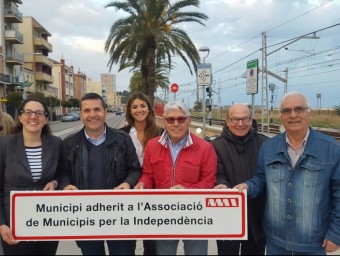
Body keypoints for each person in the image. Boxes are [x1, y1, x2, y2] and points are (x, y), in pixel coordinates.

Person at [234, 92, 340, 255]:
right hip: (276, 242)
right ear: (281, 116)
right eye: (286, 111)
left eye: (299, 109)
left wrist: (336, 233)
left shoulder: (332, 150)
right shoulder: (269, 147)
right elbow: (261, 179)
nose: (293, 115)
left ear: (308, 113)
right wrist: (247, 187)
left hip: (312, 243)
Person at [59, 92, 142, 255]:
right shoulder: (69, 143)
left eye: (97, 109)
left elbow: (135, 169)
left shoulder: (123, 139)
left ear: (105, 112)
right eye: (87, 111)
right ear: (81, 114)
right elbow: (63, 173)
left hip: (120, 217)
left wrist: (128, 183)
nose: (92, 115)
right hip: (85, 219)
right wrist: (65, 185)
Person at [135, 101, 217, 255]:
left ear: (189, 121)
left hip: (195, 216)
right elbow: (148, 175)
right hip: (164, 216)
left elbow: (209, 182)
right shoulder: (152, 146)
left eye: (181, 119)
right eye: (171, 119)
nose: (176, 124)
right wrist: (142, 183)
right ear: (164, 121)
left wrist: (188, 190)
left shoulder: (205, 148)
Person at [0, 98, 62, 255]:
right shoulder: (4, 145)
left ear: (46, 118)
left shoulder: (56, 143)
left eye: (39, 113)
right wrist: (1, 224)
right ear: (20, 117)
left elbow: (63, 173)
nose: (33, 117)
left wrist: (55, 182)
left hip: (48, 220)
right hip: (13, 224)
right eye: (28, 112)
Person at [211, 103, 268, 255]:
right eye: (235, 120)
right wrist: (221, 184)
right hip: (227, 216)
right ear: (227, 121)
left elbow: (267, 175)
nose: (240, 124)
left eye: (245, 119)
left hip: (257, 215)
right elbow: (216, 173)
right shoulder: (216, 146)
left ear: (251, 120)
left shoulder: (264, 143)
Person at [120, 92, 163, 255]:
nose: (139, 110)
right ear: (129, 111)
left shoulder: (161, 133)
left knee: (152, 242)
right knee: (127, 240)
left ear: (149, 108)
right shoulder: (121, 134)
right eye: (135, 107)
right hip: (128, 190)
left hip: (154, 192)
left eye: (143, 106)